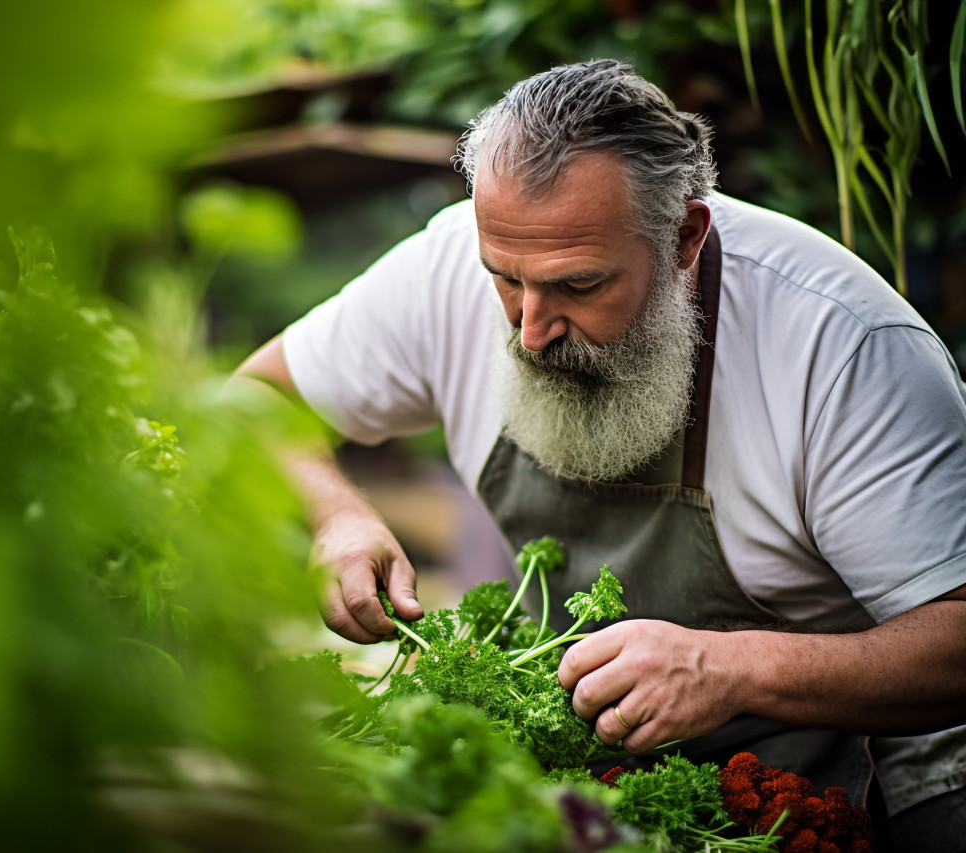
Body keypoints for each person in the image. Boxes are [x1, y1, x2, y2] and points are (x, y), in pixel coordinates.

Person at [234, 59, 966, 845]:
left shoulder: (841, 345)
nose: (530, 329)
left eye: (578, 287)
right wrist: (336, 518)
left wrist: (734, 667)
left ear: (685, 236)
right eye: (505, 280)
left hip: (866, 788)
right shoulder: (443, 269)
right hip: (604, 781)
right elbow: (252, 401)